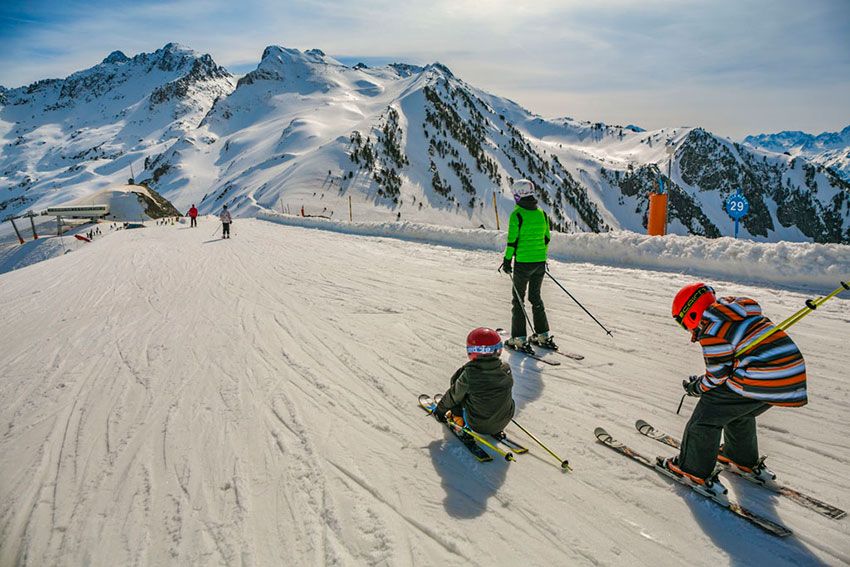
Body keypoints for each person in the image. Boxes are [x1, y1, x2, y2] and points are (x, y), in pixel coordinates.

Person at [661, 283, 807, 495]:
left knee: (706, 417)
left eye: (683, 323)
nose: (688, 330)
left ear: (690, 313)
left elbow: (717, 377)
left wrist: (696, 387)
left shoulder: (711, 329)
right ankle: (740, 457)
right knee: (737, 408)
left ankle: (693, 469)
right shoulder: (737, 314)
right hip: (787, 379)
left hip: (763, 378)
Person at [501, 179, 556, 351]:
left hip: (523, 263)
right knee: (535, 298)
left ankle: (518, 338)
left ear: (518, 195)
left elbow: (512, 241)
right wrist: (542, 256)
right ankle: (543, 335)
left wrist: (507, 260)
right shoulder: (542, 213)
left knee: (518, 300)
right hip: (539, 262)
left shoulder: (517, 214)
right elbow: (547, 238)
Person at [432, 327, 515, 436]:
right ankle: (495, 422)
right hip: (504, 419)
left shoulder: (469, 374)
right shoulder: (505, 368)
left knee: (457, 381)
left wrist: (440, 411)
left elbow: (453, 396)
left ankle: (458, 418)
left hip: (478, 425)